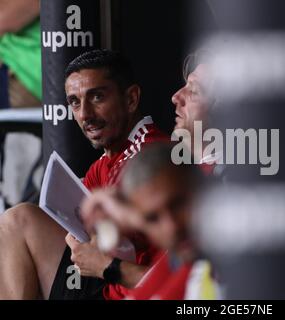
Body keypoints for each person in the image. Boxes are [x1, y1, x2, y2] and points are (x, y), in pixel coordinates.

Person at [0, 49, 167, 300]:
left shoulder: (151, 157)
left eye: (97, 97)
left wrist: (103, 264)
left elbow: (176, 281)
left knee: (18, 220)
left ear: (131, 99)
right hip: (104, 285)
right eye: (75, 102)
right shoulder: (104, 163)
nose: (85, 114)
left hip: (126, 291)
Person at [81, 143, 222, 299]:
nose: (171, 227)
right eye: (152, 218)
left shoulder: (237, 238)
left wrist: (105, 265)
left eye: (177, 205)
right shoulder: (179, 257)